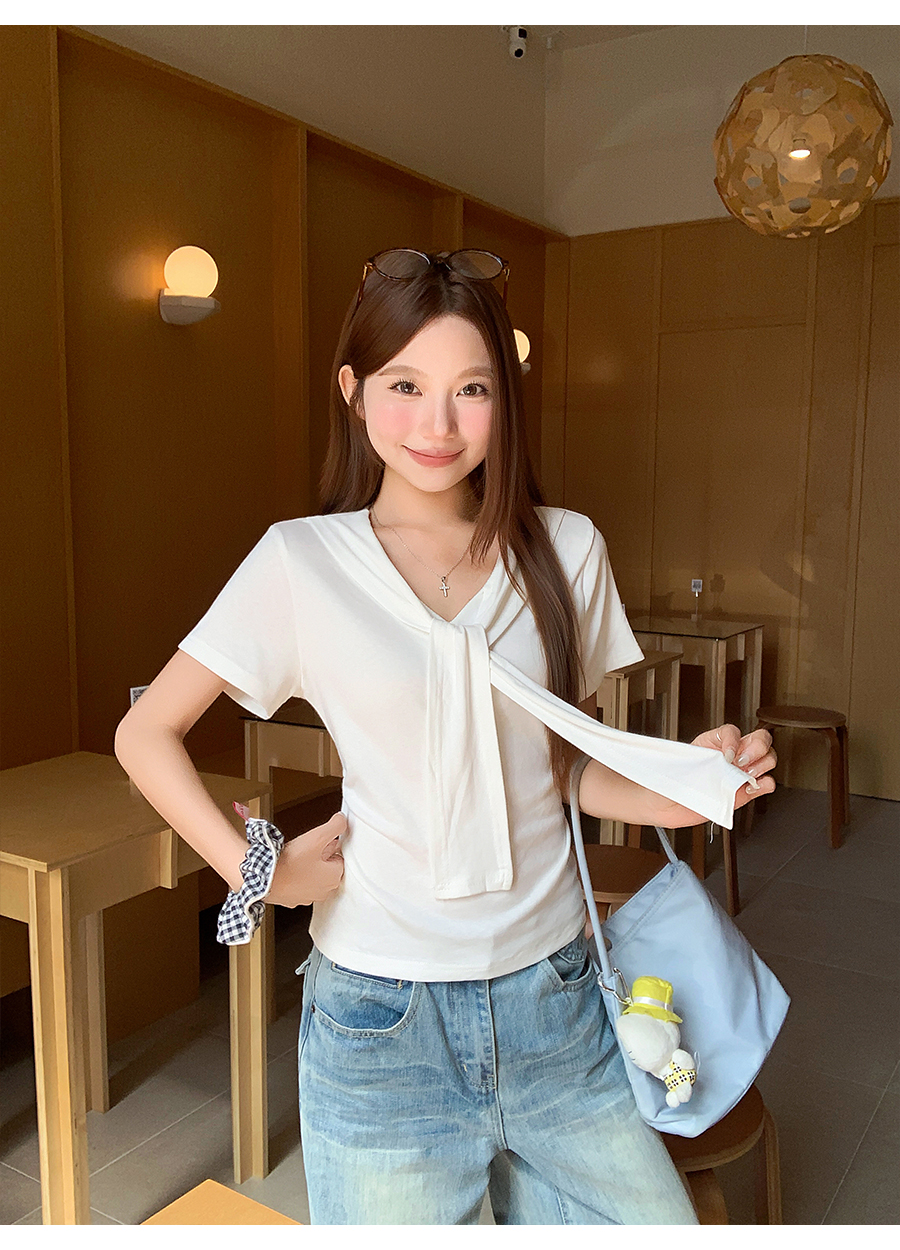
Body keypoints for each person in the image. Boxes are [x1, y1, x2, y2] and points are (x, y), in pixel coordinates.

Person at [114, 248, 776, 1225]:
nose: (438, 423)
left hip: (557, 999)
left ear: (504, 399)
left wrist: (676, 790)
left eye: (471, 388)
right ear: (353, 391)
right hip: (382, 1022)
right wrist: (262, 872)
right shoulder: (301, 561)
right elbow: (146, 732)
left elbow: (564, 764)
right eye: (405, 386)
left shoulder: (567, 548)